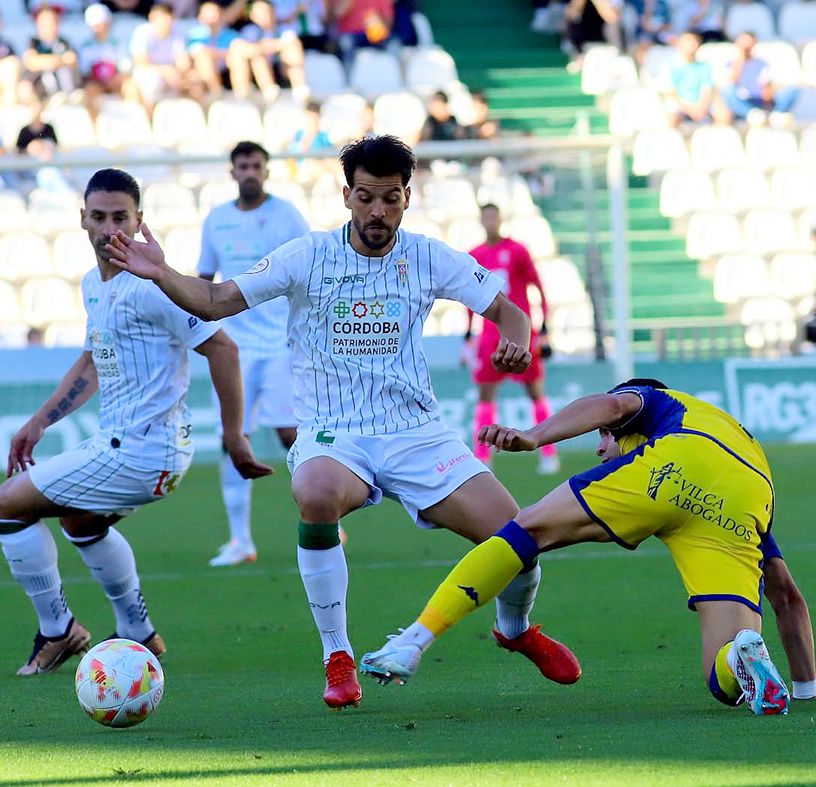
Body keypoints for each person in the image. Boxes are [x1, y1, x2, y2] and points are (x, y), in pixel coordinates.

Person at [104, 135, 580, 710]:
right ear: (346, 196)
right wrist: (161, 274)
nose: (377, 212)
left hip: (416, 431)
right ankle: (337, 655)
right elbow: (214, 301)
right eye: (365, 197)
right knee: (316, 493)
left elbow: (509, 311)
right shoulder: (306, 254)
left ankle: (515, 628)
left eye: (390, 198)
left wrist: (517, 341)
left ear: (408, 198)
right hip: (334, 431)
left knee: (518, 537)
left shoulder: (428, 255)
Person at [362, 379, 816, 715]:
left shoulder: (655, 400)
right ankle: (744, 653)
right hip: (750, 498)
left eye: (604, 436)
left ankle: (412, 642)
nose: (601, 449)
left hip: (677, 465)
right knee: (723, 682)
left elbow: (613, 402)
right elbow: (786, 595)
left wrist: (536, 436)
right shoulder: (726, 432)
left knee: (524, 530)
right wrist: (807, 692)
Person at [0, 168, 269, 675]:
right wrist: (39, 422)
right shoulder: (94, 284)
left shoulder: (153, 287)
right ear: (82, 219)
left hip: (141, 451)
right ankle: (138, 632)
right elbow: (94, 360)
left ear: (139, 222)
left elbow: (222, 347)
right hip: (125, 447)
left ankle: (59, 631)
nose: (108, 228)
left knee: (6, 506)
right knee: (80, 520)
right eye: (99, 216)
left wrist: (233, 435)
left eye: (121, 217)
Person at [197, 142, 309, 567]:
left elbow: (310, 270)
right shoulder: (217, 219)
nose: (250, 172)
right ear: (232, 171)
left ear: (266, 170)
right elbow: (204, 279)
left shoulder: (287, 216)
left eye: (257, 165)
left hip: (281, 345)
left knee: (290, 434)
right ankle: (240, 540)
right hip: (234, 351)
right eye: (243, 165)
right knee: (233, 438)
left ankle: (324, 513)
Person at [465, 204, 558, 475]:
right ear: (481, 220)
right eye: (486, 216)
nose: (490, 221)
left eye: (494, 216)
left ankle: (549, 453)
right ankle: (482, 457)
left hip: (521, 334)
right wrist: (469, 333)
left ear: (500, 219)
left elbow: (538, 287)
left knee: (535, 392)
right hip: (489, 335)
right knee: (485, 397)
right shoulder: (476, 255)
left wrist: (544, 327)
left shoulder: (517, 251)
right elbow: (468, 300)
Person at [228, 0, 309, 102]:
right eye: (259, 12)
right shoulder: (249, 31)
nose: (263, 15)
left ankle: (299, 88)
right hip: (256, 73)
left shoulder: (285, 29)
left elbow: (292, 43)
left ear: (274, 12)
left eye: (266, 11)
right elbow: (239, 48)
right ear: (252, 15)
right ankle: (250, 93)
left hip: (281, 68)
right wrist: (267, 48)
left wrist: (261, 48)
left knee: (292, 51)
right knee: (256, 58)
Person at [129, 2, 197, 113]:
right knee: (153, 82)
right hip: (147, 75)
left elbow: (183, 62)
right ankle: (150, 121)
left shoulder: (177, 35)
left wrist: (180, 73)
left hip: (172, 75)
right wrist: (165, 71)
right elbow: (141, 63)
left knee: (195, 81)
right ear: (152, 17)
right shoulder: (142, 33)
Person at [721, 33, 798, 125]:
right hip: (743, 102)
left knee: (792, 90)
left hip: (760, 101)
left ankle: (771, 116)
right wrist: (741, 57)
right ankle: (753, 115)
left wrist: (767, 98)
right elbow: (732, 82)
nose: (747, 46)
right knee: (727, 91)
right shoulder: (730, 64)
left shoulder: (762, 64)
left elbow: (767, 88)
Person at [79, 3, 132, 121]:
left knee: (131, 88)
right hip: (96, 84)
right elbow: (84, 74)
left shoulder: (118, 44)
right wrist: (101, 82)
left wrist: (114, 81)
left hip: (116, 83)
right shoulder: (86, 47)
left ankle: (133, 124)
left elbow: (126, 70)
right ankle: (94, 128)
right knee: (90, 91)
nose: (99, 28)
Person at [667, 31, 729, 127]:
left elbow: (707, 90)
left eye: (695, 41)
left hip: (702, 105)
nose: (692, 44)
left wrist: (701, 107)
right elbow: (672, 93)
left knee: (724, 115)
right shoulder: (673, 67)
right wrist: (689, 109)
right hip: (682, 106)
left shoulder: (704, 67)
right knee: (672, 117)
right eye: (688, 41)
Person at [23, 3, 79, 100]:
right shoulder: (34, 42)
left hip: (67, 91)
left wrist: (49, 61)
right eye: (46, 22)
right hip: (44, 94)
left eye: (54, 21)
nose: (51, 25)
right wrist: (58, 60)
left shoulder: (64, 42)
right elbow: (31, 61)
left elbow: (73, 60)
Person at [188, 2, 241, 98]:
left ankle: (241, 96)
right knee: (203, 60)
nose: (211, 16)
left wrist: (215, 53)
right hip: (202, 75)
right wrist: (223, 54)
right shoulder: (194, 35)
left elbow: (239, 49)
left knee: (238, 59)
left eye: (214, 12)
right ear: (200, 16)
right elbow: (196, 52)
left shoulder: (230, 34)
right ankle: (216, 93)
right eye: (207, 12)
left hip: (226, 70)